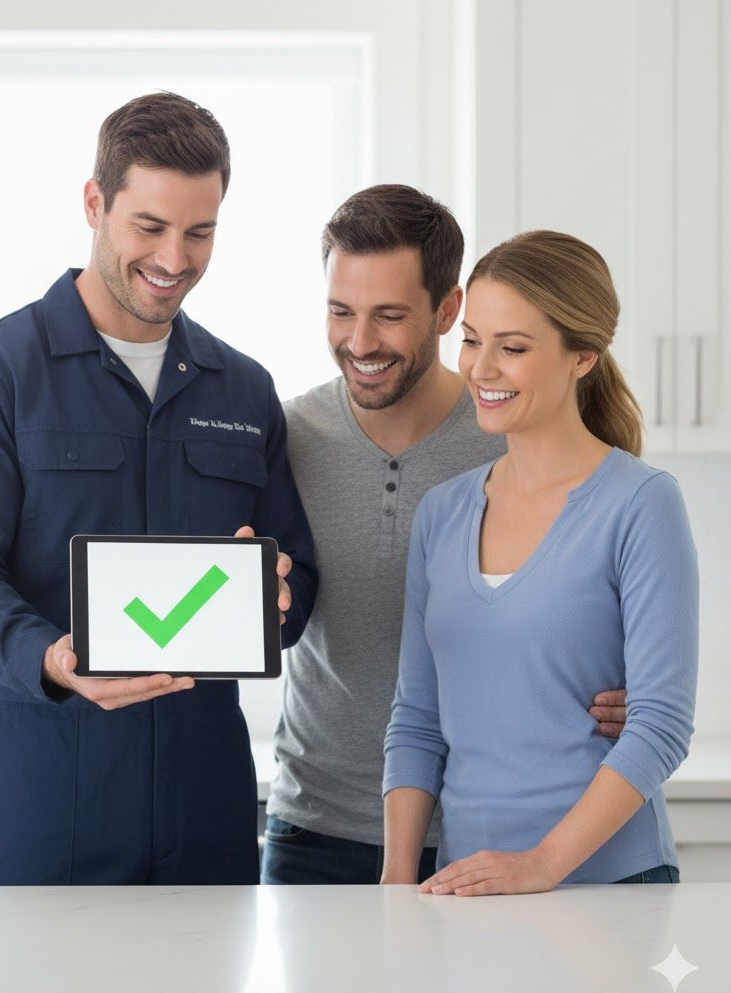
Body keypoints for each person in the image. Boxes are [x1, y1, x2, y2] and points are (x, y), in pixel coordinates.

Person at [0, 92, 317, 886]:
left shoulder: (242, 389)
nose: (175, 258)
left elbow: (296, 583)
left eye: (200, 232)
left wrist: (275, 596)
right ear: (95, 204)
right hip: (42, 786)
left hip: (205, 804)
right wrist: (55, 659)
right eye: (150, 227)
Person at [262, 187, 629, 886]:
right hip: (312, 824)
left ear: (448, 310)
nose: (361, 342)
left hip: (490, 832)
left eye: (390, 316)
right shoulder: (288, 438)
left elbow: (601, 605)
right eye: (341, 312)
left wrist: (632, 690)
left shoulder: (516, 432)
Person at [382, 230, 698, 892]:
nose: (481, 367)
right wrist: (395, 881)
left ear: (583, 356)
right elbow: (417, 719)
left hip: (613, 887)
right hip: (466, 885)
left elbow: (661, 725)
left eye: (514, 348)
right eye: (472, 339)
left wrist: (541, 865)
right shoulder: (441, 514)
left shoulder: (640, 503)